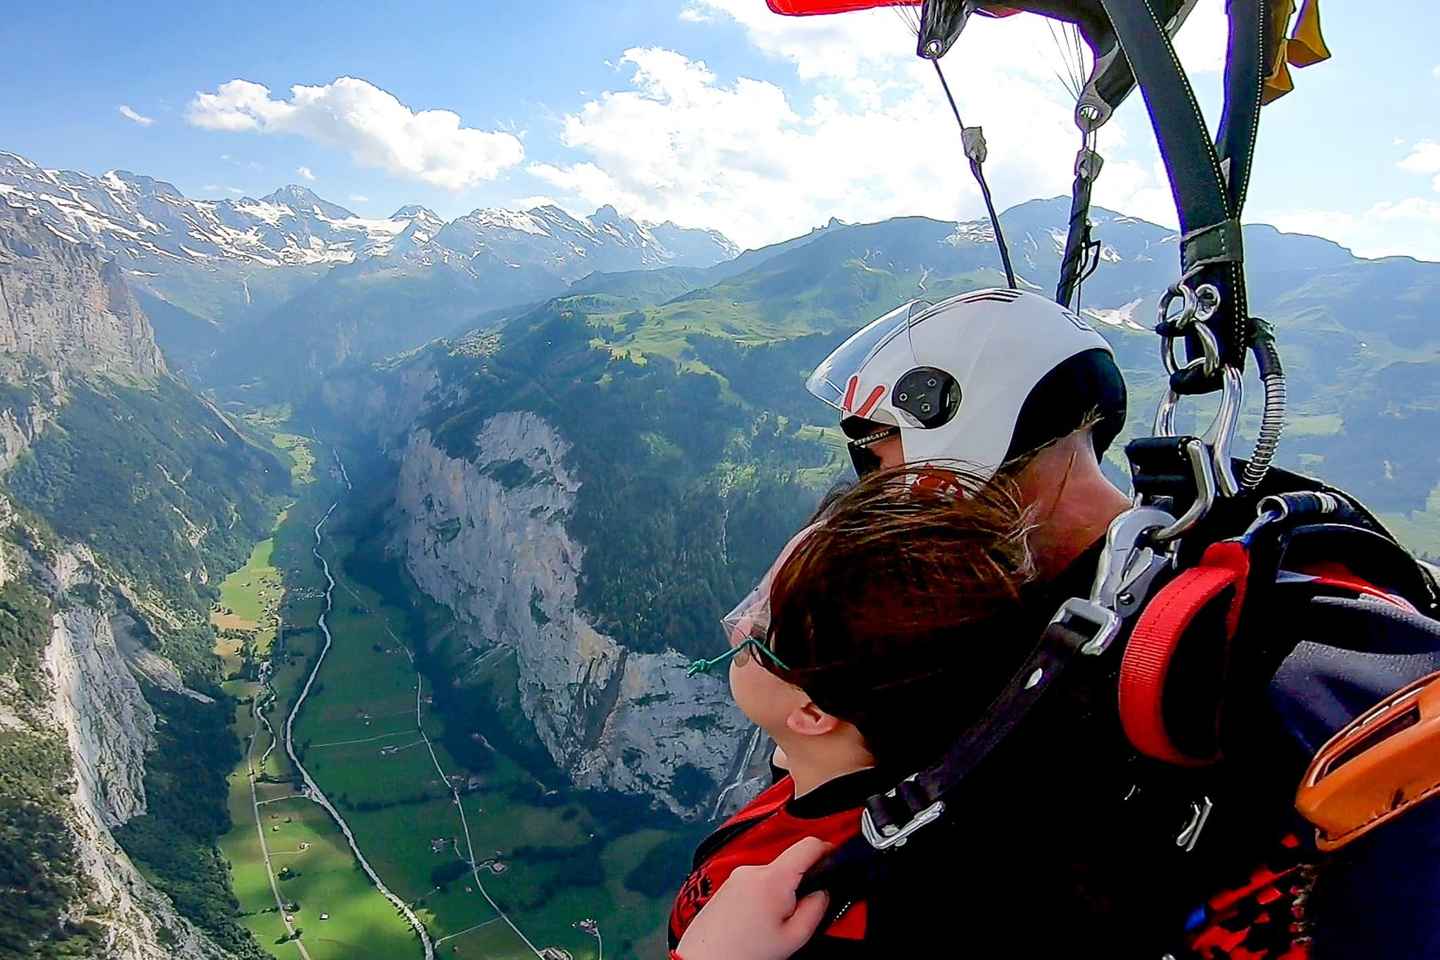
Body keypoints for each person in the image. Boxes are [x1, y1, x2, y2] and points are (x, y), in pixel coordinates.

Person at [669, 464, 1039, 957]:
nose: (738, 629)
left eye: (759, 632)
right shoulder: (862, 777)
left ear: (812, 714)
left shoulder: (833, 913)